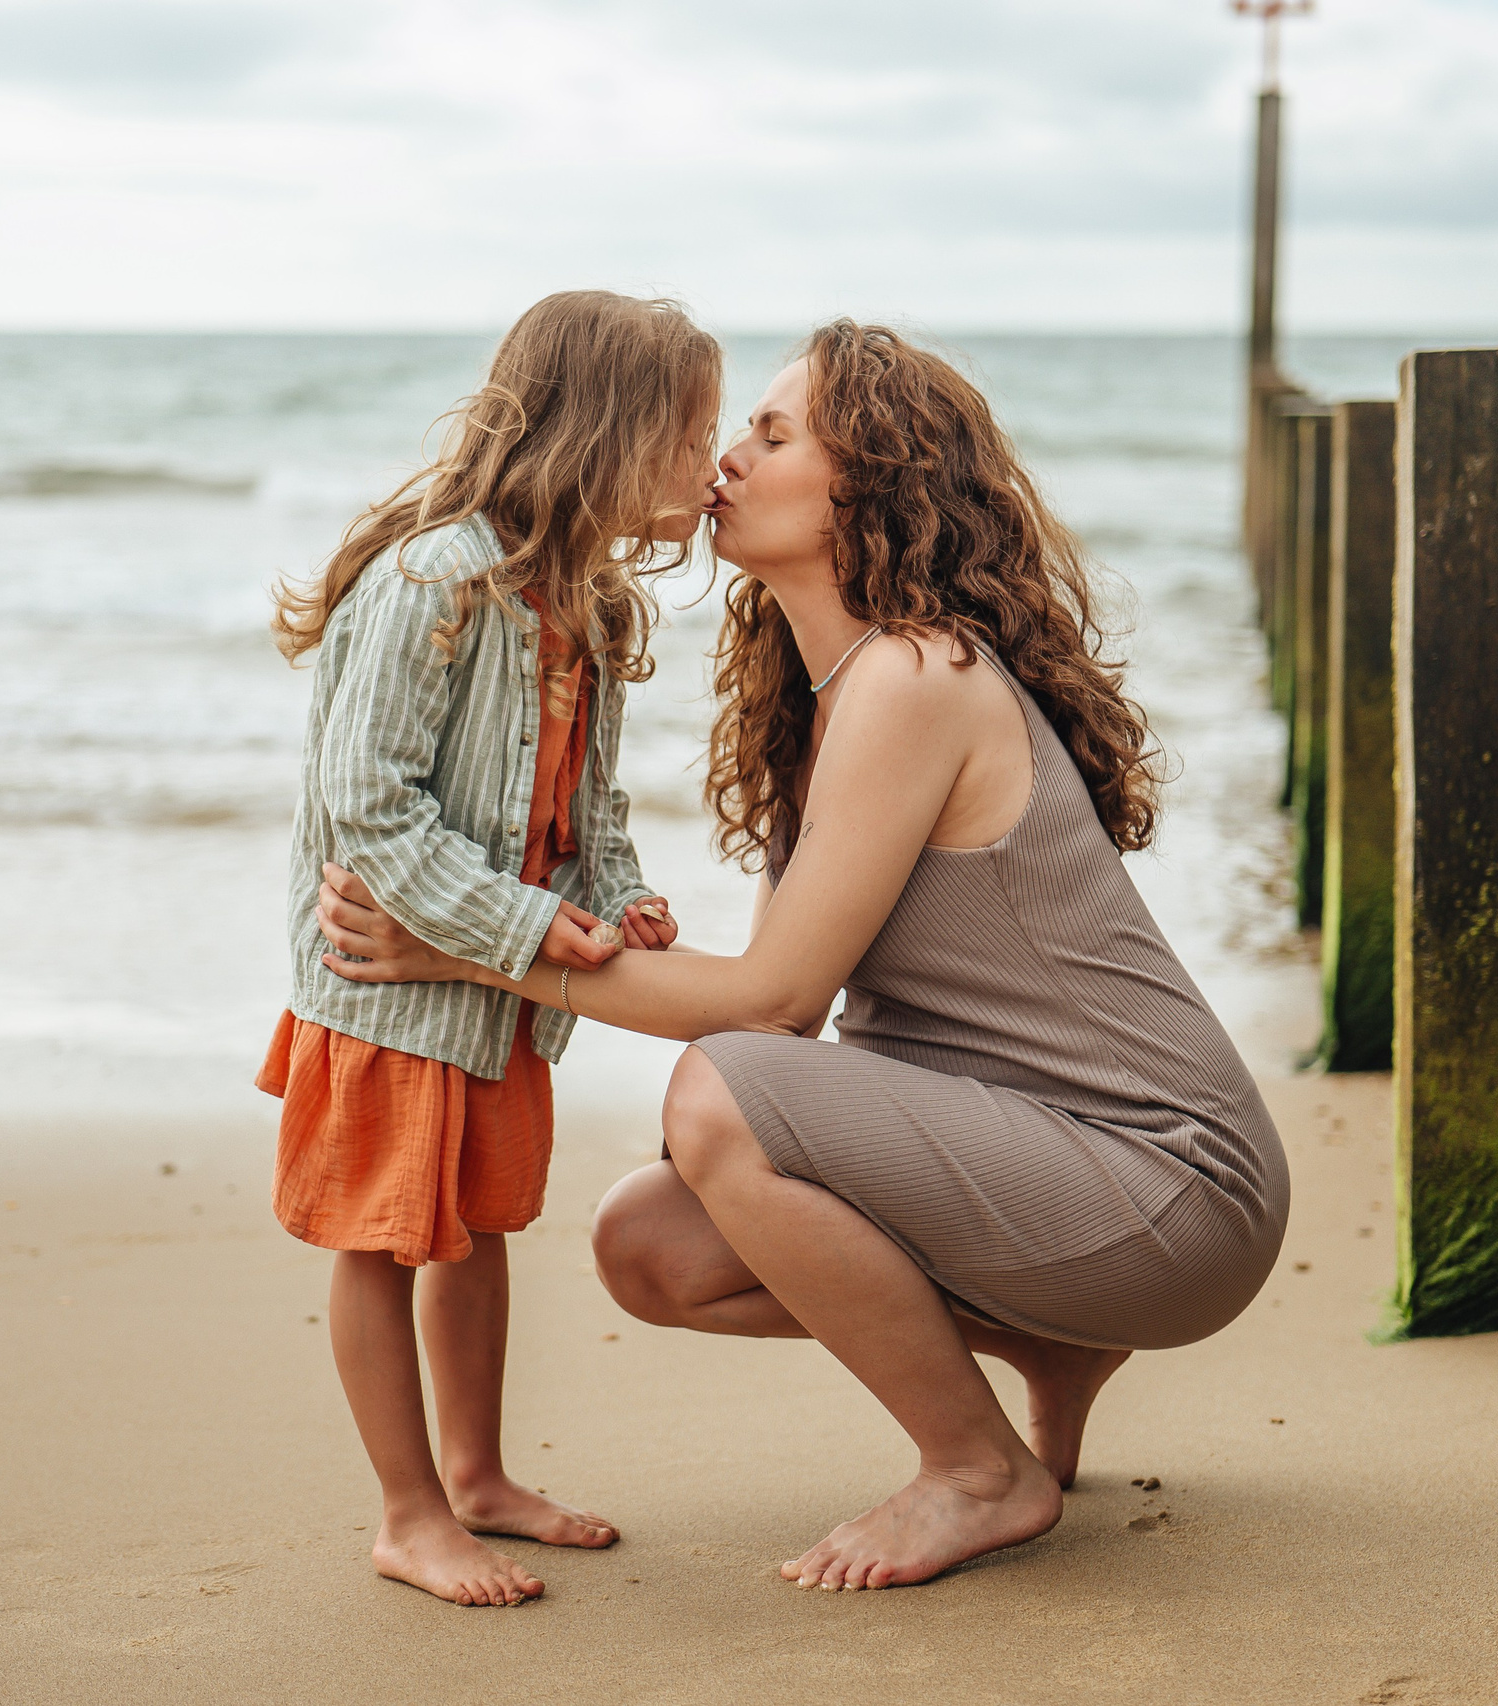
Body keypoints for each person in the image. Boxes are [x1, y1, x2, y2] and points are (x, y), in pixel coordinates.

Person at [314, 321, 1290, 1593]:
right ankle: (1053, 1348)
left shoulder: (914, 676)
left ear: (868, 487)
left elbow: (764, 1009)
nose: (723, 457)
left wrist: (472, 949)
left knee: (714, 1096)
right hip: (1063, 1166)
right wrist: (545, 932)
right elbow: (789, 1014)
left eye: (772, 435)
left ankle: (976, 1471)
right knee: (647, 1242)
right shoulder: (829, 690)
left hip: (1171, 1187)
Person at [261, 290, 717, 1606]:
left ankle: (478, 1473)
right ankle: (407, 1510)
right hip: (386, 985)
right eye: (687, 437)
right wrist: (524, 927)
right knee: (382, 1237)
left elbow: (593, 802)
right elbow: (372, 802)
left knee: (473, 1227)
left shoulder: (592, 608)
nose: (708, 464)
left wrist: (622, 897)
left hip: (496, 996)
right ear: (610, 437)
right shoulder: (433, 586)